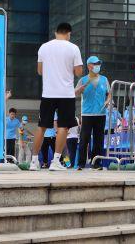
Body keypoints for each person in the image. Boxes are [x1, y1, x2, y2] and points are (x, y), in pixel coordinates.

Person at [30, 22, 83, 171]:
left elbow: (40, 71)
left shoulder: (44, 47)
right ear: (69, 33)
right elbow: (78, 72)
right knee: (63, 127)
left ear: (56, 32)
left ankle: (34, 162)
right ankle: (56, 161)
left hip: (48, 93)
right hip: (66, 94)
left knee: (42, 127)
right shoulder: (73, 48)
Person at [76, 56, 110, 169]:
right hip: (87, 114)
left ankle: (97, 163)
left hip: (101, 113)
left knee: (98, 139)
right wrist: (80, 89)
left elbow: (109, 94)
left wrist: (107, 101)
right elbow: (74, 93)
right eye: (95, 64)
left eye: (99, 63)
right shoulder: (83, 80)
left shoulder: (104, 79)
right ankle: (81, 164)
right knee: (84, 139)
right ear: (89, 66)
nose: (98, 66)